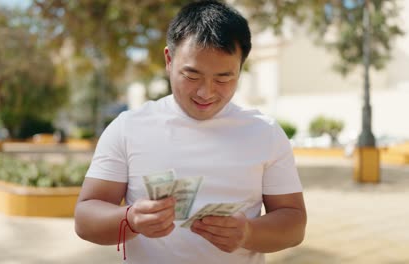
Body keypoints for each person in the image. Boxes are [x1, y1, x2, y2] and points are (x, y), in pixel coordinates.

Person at [74, 1, 307, 263]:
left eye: (223, 78)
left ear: (241, 68)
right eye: (192, 75)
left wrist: (248, 233)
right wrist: (130, 219)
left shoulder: (265, 132)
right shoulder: (128, 127)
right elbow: (85, 219)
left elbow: (294, 223)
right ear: (169, 60)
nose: (206, 92)